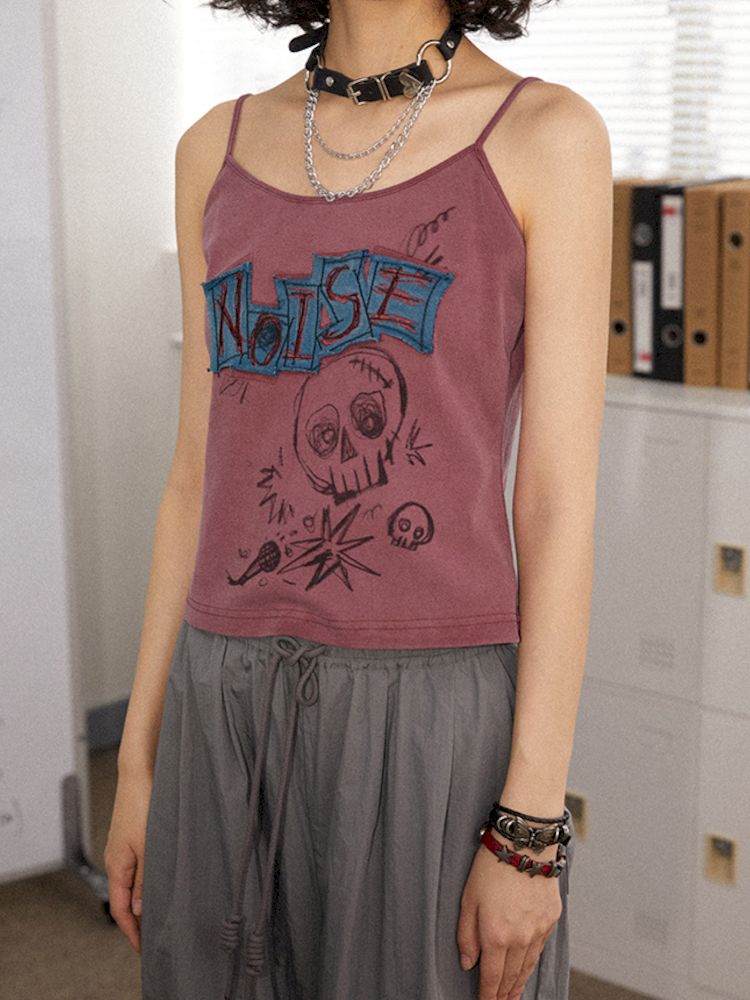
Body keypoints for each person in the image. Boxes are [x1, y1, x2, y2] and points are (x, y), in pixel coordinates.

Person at [104, 0, 612, 998]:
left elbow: (557, 504)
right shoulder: (214, 148)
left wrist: (530, 824)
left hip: (427, 717)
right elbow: (193, 478)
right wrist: (136, 764)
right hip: (223, 698)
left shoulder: (546, 136)